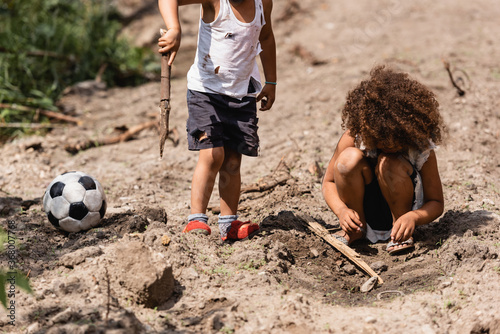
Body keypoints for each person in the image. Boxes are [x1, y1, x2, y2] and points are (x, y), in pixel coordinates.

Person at [158, 0, 277, 240]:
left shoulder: (263, 3)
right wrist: (175, 28)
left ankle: (229, 223)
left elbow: (266, 37)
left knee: (233, 162)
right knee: (213, 155)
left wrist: (271, 82)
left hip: (242, 94)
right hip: (206, 92)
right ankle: (196, 219)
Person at [322, 65, 445, 255]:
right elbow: (329, 182)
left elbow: (436, 201)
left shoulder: (420, 147)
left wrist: (413, 217)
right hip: (365, 207)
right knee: (348, 160)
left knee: (389, 162)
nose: (388, 146)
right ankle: (356, 230)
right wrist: (342, 212)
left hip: (403, 213)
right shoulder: (355, 137)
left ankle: (400, 231)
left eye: (396, 142)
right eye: (381, 141)